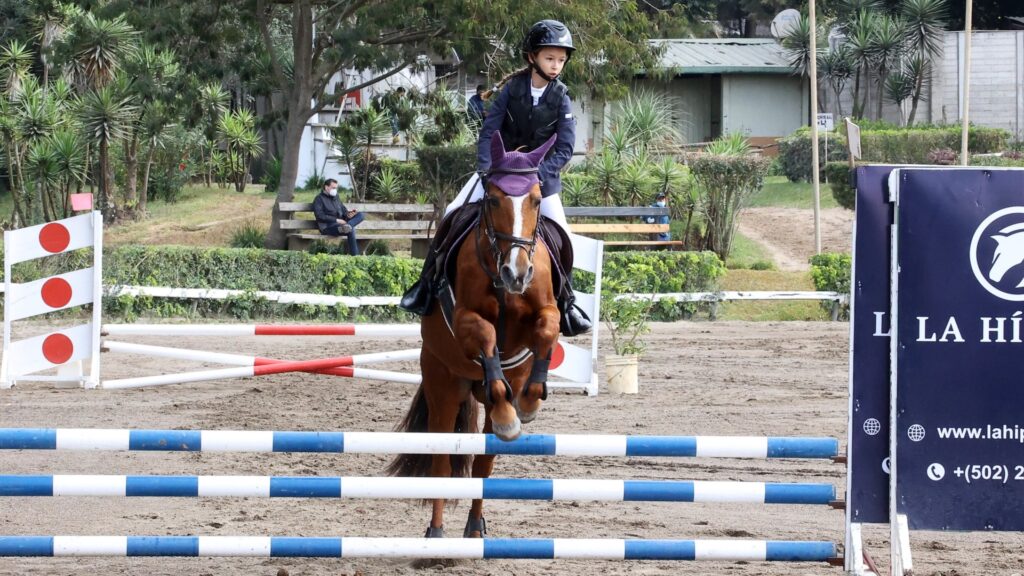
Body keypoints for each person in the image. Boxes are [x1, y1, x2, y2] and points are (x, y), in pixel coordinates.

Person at [401, 20, 591, 337]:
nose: (556, 65)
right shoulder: (511, 90)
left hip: (537, 182)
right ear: (532, 57)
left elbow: (565, 147)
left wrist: (536, 176)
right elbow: (489, 131)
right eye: (550, 58)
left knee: (563, 237)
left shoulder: (561, 97)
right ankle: (425, 286)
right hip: (499, 176)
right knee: (451, 212)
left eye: (560, 59)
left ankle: (567, 303)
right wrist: (487, 168)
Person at [313, 178, 364, 256]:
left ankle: (348, 225)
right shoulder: (319, 199)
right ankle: (356, 257)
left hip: (341, 225)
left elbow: (343, 211)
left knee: (361, 215)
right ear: (326, 187)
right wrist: (336, 220)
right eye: (333, 188)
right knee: (350, 229)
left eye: (336, 188)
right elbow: (319, 216)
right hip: (328, 227)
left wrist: (349, 214)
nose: (335, 190)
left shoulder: (336, 198)